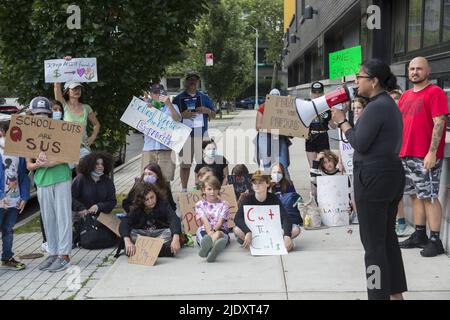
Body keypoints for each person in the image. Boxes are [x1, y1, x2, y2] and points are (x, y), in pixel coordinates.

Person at [331, 59, 407, 300]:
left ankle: (377, 296)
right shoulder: (387, 105)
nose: (356, 81)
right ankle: (395, 295)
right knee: (386, 240)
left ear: (373, 81)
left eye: (359, 77)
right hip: (389, 175)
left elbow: (360, 143)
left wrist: (342, 121)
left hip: (374, 179)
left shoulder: (376, 107)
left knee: (373, 247)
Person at [398, 57, 448, 257]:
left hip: (425, 155)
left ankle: (435, 240)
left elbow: (439, 122)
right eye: (411, 68)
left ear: (428, 71)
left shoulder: (435, 92)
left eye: (419, 68)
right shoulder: (406, 95)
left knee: (430, 196)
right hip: (406, 154)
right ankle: (420, 234)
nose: (414, 72)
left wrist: (432, 151)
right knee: (414, 195)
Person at [26, 97, 73, 272]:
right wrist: (38, 165)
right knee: (48, 218)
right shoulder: (28, 134)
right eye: (38, 114)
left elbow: (70, 155)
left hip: (61, 177)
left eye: (45, 113)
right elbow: (29, 165)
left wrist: (50, 163)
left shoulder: (60, 130)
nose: (41, 117)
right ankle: (53, 252)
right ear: (32, 114)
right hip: (42, 181)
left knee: (63, 217)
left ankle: (65, 255)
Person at [233, 170, 300, 252]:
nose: (257, 185)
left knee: (296, 229)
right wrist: (247, 232)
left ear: (267, 184)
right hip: (253, 233)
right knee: (236, 229)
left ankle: (280, 241)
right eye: (255, 183)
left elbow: (285, 218)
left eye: (260, 183)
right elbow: (237, 218)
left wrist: (286, 235)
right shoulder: (248, 199)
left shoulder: (273, 198)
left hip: (271, 232)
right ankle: (257, 243)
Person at [173, 71, 216, 192]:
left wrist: (207, 110)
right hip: (185, 136)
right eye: (190, 79)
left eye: (195, 80)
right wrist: (182, 115)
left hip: (201, 135)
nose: (192, 82)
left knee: (204, 165)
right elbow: (171, 118)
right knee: (185, 165)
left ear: (198, 82)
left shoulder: (204, 97)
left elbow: (213, 115)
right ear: (185, 82)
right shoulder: (178, 99)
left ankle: (203, 188)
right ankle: (184, 189)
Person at [54, 56, 101, 159]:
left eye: (79, 88)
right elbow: (56, 88)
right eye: (74, 88)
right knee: (69, 174)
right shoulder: (64, 105)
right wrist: (63, 64)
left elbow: (96, 124)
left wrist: (92, 137)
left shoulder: (86, 108)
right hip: (67, 148)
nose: (77, 90)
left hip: (83, 148)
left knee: (85, 173)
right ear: (67, 91)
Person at [119, 183, 182, 257]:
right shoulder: (137, 208)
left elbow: (173, 218)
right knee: (131, 233)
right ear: (141, 200)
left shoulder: (163, 204)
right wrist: (127, 241)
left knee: (170, 232)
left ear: (156, 194)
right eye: (146, 199)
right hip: (143, 235)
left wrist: (175, 237)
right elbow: (125, 222)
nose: (150, 201)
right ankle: (161, 250)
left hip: (159, 234)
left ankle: (140, 250)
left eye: (152, 197)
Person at [0, 121, 30, 271]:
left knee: (8, 230)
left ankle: (7, 258)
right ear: (3, 132)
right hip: (1, 200)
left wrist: (24, 197)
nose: (17, 135)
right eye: (13, 132)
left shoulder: (20, 153)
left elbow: (23, 177)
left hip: (14, 200)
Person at [72, 152, 117, 248]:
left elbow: (112, 201)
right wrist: (81, 208)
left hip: (102, 217)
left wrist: (98, 206)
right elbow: (70, 197)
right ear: (90, 165)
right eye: (97, 164)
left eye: (102, 164)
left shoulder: (107, 181)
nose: (100, 166)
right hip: (82, 217)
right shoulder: (81, 179)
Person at [141, 83, 181, 180]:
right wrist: (148, 110)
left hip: (166, 149)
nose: (158, 95)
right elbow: (139, 124)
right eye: (155, 93)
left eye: (161, 92)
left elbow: (177, 119)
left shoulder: (173, 106)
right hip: (149, 149)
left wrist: (169, 105)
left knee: (165, 180)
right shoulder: (146, 107)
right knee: (147, 181)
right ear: (151, 94)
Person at [388, 89, 414, 238]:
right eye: (391, 99)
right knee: (395, 193)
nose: (394, 102)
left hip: (407, 157)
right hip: (392, 158)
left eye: (397, 99)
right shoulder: (388, 117)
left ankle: (404, 223)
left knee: (408, 193)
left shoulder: (407, 116)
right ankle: (399, 221)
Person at [255, 88, 292, 177]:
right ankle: (268, 188)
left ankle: (287, 188)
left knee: (282, 166)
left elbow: (291, 126)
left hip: (280, 139)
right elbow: (258, 126)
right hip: (266, 140)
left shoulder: (285, 108)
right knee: (267, 167)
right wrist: (272, 126)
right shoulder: (263, 107)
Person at [195, 176, 229, 262]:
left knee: (218, 234)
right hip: (205, 230)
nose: (212, 192)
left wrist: (213, 232)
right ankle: (212, 250)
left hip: (220, 230)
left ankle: (208, 250)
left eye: (215, 189)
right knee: (206, 238)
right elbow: (204, 221)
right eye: (209, 189)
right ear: (203, 190)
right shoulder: (199, 204)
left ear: (218, 189)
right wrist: (209, 233)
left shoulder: (224, 204)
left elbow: (220, 222)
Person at [305, 81, 337, 168]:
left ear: (323, 93)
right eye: (315, 92)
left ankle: (324, 182)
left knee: (325, 166)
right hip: (310, 137)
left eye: (319, 92)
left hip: (323, 137)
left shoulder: (327, 106)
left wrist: (333, 115)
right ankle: (314, 182)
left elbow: (334, 126)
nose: (317, 94)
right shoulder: (306, 105)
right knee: (313, 168)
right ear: (311, 93)